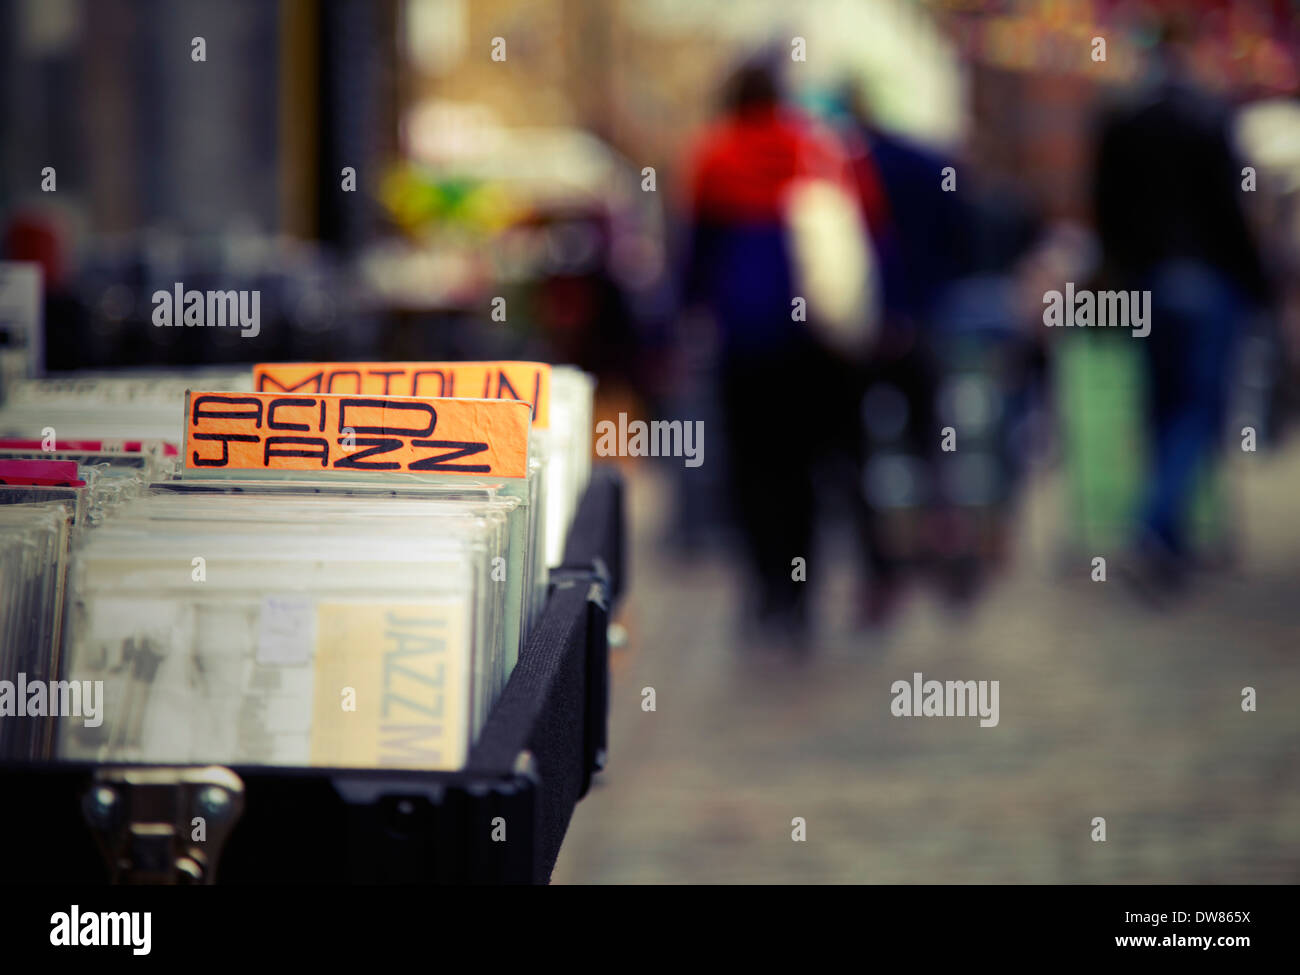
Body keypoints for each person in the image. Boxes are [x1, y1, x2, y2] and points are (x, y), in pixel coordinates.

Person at [681, 61, 867, 641]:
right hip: (813, 340)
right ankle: (801, 591)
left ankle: (768, 591)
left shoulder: (716, 155)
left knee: (753, 470)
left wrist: (686, 317)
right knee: (807, 467)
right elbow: (863, 232)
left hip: (747, 342)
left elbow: (696, 255)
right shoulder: (814, 148)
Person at [1093, 17, 1271, 590]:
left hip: (1146, 282)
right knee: (1195, 409)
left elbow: (1104, 209)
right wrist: (1258, 282)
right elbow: (1231, 210)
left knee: (1161, 408)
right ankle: (1155, 527)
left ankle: (1170, 538)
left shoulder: (1123, 116)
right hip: (1205, 282)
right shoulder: (1210, 114)